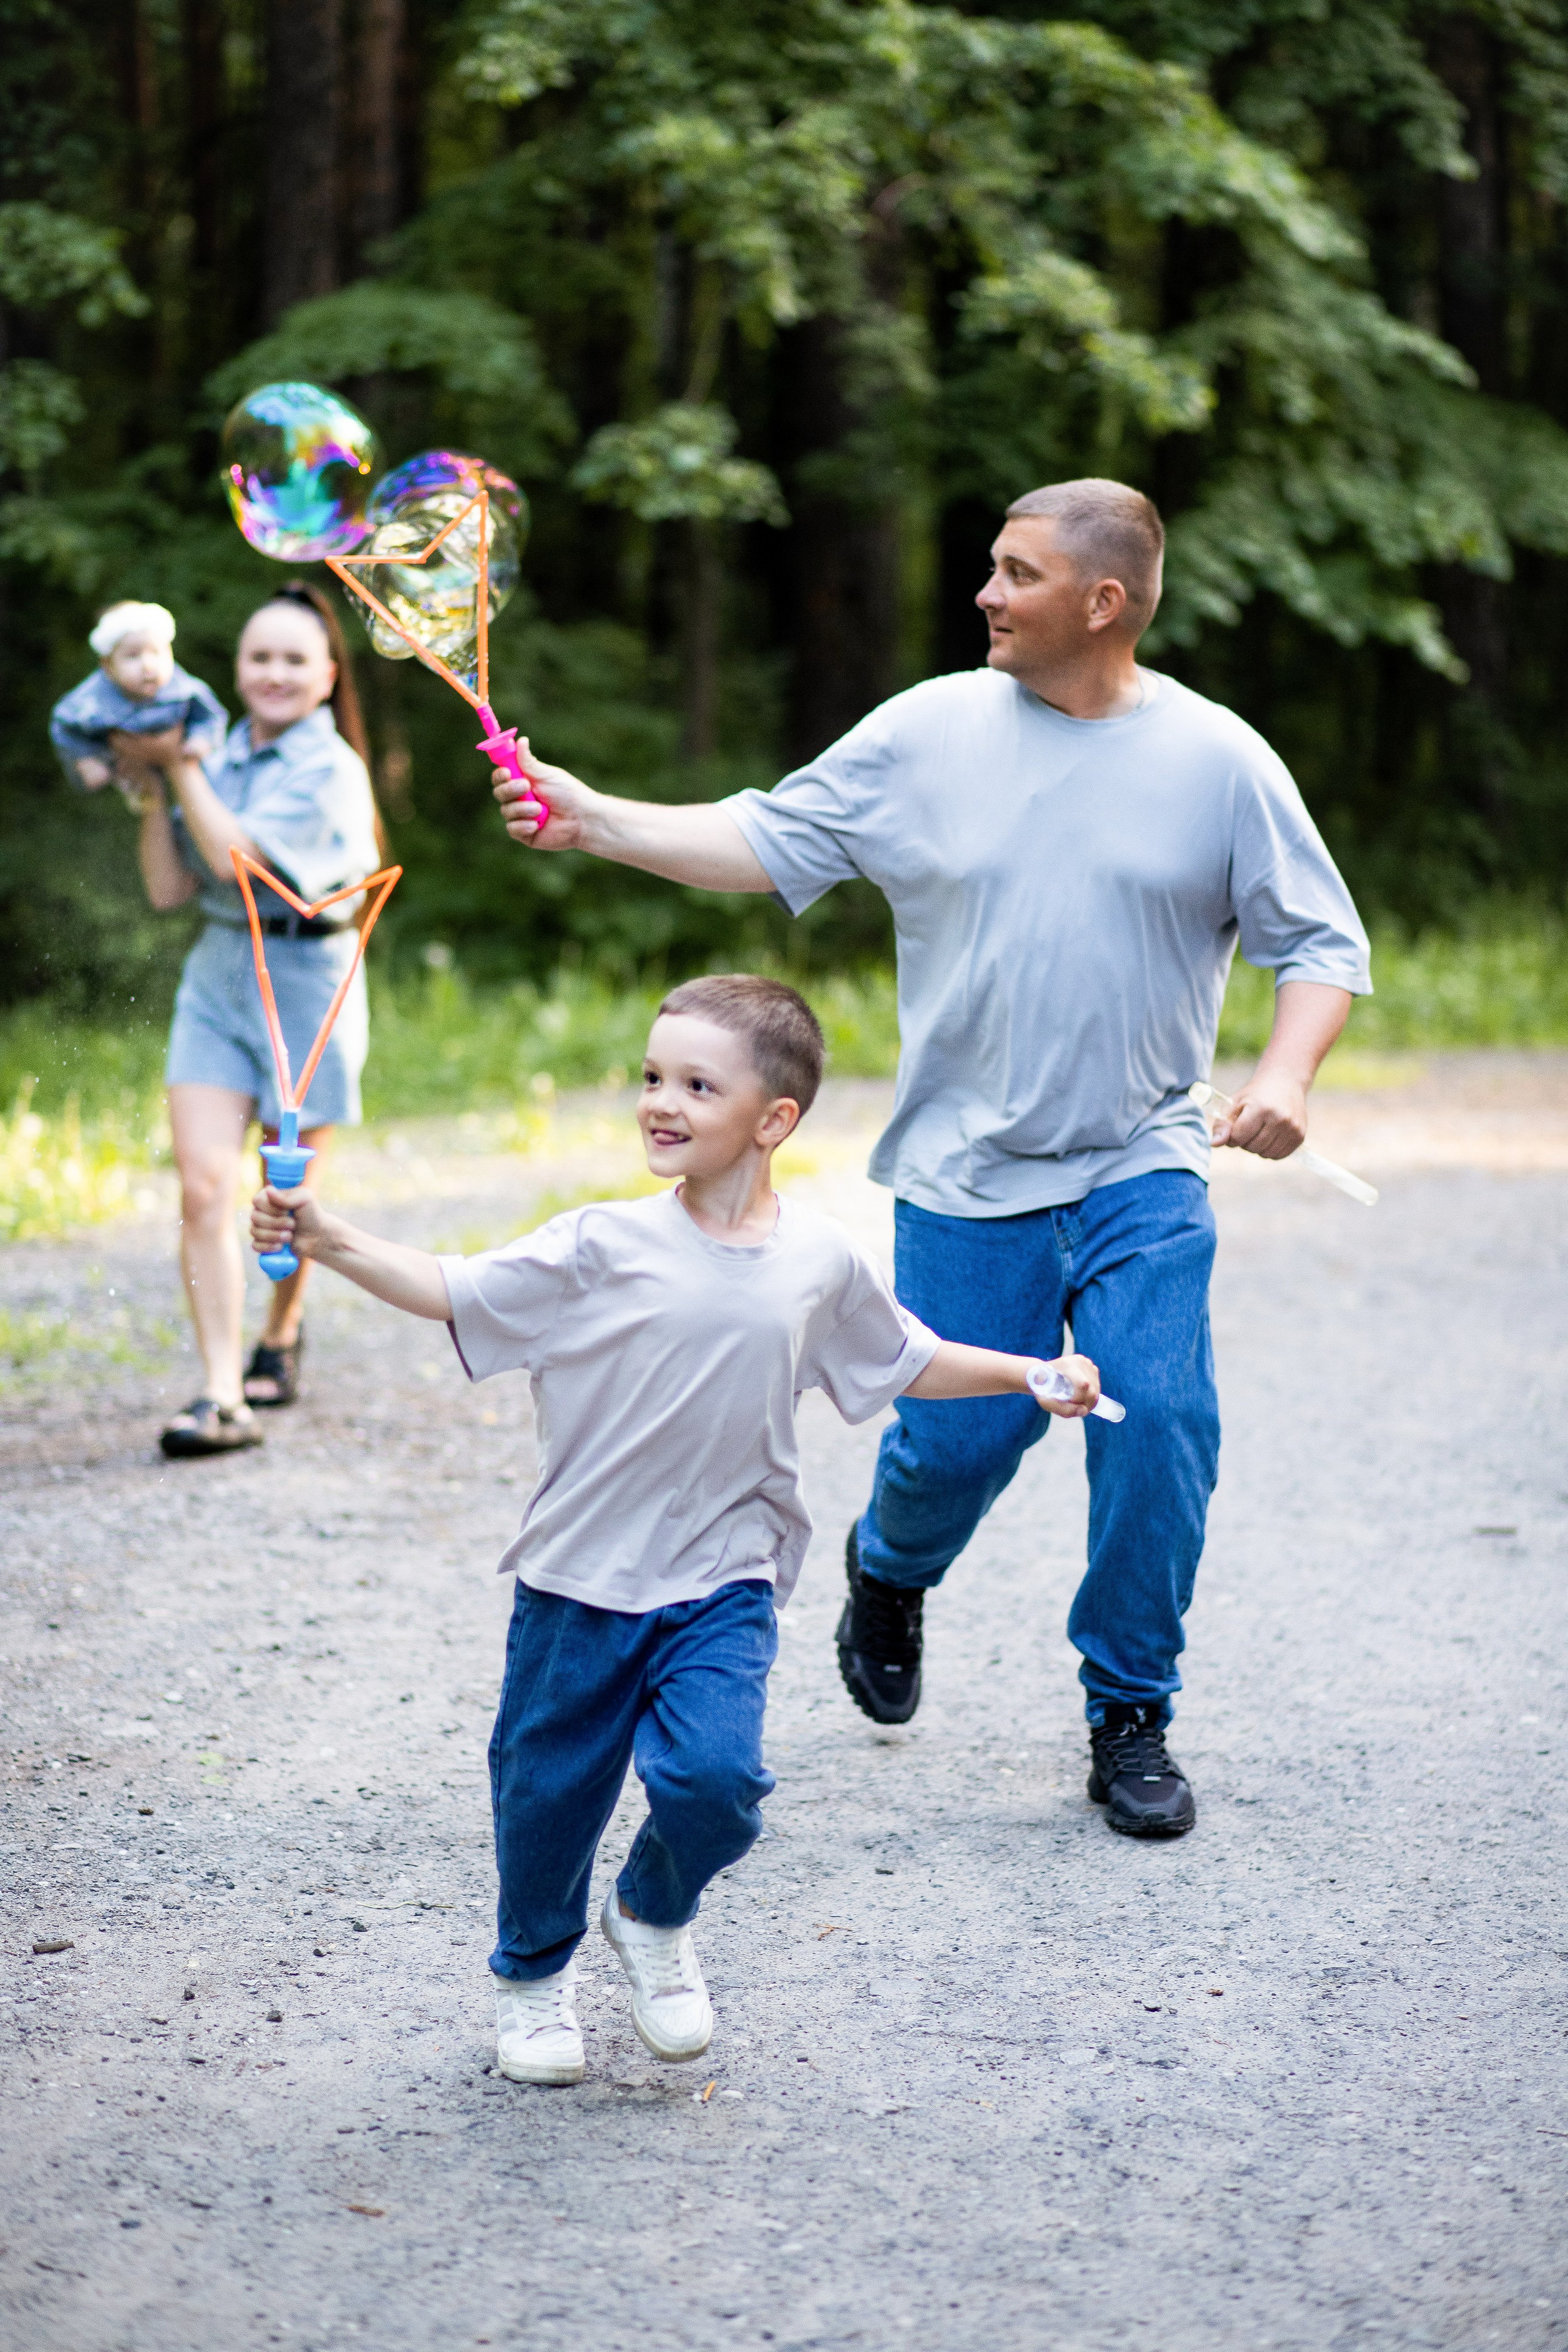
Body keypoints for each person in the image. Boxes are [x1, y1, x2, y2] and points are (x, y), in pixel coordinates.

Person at [487, 478, 1372, 1841]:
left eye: (1014, 574)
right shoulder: (927, 732)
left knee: (1159, 1419)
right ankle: (890, 1567)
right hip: (966, 1173)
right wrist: (593, 814)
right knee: (959, 1441)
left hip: (1140, 1161)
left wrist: (1284, 1074)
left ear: (1102, 602)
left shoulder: (1218, 761)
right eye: (988, 567)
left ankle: (1128, 1709)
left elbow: (1315, 942)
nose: (983, 594)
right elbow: (769, 839)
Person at [249, 974, 1104, 2084]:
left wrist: (1028, 1372)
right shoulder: (598, 1246)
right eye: (655, 1077)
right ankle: (532, 1977)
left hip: (725, 1578)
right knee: (547, 1793)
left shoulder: (818, 1261)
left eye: (698, 1084)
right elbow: (451, 1289)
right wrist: (326, 1236)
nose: (662, 1101)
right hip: (578, 1576)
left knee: (718, 1784)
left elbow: (902, 1356)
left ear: (773, 1120)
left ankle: (653, 1914)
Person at [118, 581, 384, 1458]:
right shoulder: (218, 750)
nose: (273, 672)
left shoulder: (329, 769)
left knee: (283, 1192)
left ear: (327, 673)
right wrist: (155, 788)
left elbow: (244, 868)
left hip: (308, 978)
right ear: (235, 668)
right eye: (258, 656)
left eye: (293, 659)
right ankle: (221, 1393)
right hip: (220, 976)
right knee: (202, 1184)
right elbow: (167, 890)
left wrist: (178, 763)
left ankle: (284, 1328)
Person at [50, 600, 227, 798]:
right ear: (108, 666)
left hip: (184, 766)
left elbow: (212, 716)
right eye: (133, 656)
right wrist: (86, 759)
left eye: (157, 653)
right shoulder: (93, 698)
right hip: (127, 774)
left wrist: (201, 739)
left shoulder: (182, 688)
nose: (148, 666)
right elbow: (64, 725)